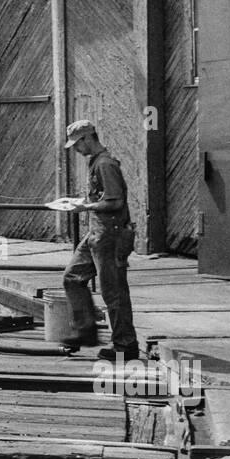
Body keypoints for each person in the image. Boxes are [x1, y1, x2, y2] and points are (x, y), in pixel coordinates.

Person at [60, 119, 140, 361]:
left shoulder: (105, 164)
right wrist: (83, 204)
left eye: (77, 144)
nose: (75, 149)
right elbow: (103, 197)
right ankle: (86, 332)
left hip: (111, 236)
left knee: (113, 292)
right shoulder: (95, 162)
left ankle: (125, 346)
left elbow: (115, 201)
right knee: (73, 277)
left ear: (88, 138)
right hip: (97, 234)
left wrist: (84, 208)